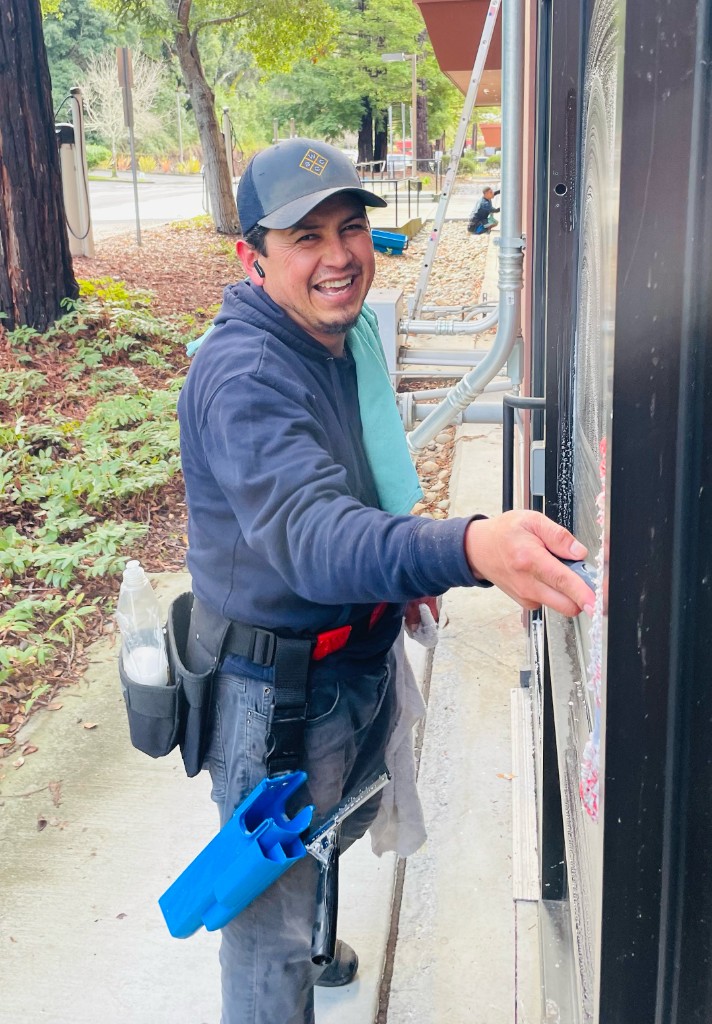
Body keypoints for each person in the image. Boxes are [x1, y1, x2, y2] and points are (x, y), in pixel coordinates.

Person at [177, 138, 592, 1024]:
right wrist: (468, 547)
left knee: (333, 833)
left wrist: (398, 569)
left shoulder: (333, 337)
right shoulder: (246, 375)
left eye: (351, 228)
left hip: (349, 659)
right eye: (306, 238)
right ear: (253, 259)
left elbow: (355, 480)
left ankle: (316, 936)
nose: (339, 257)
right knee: (267, 938)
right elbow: (312, 534)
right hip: (275, 699)